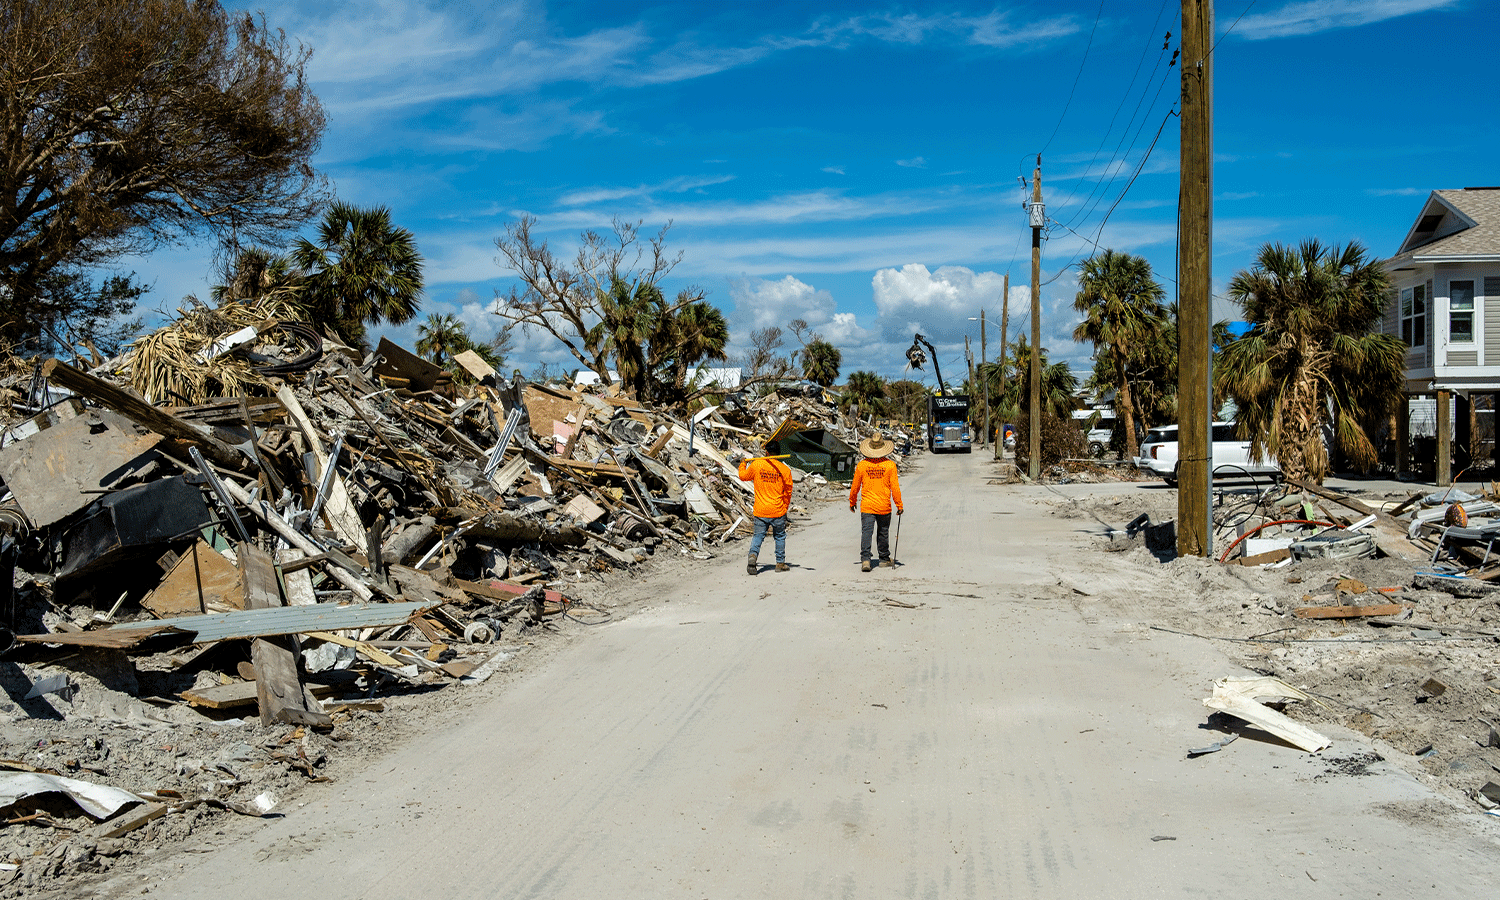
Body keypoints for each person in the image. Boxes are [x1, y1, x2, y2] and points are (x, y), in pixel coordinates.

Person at [849, 434, 903, 572]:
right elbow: (895, 488)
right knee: (883, 532)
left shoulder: (862, 465)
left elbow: (855, 486)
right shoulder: (890, 465)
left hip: (867, 506)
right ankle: (884, 559)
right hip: (884, 506)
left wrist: (852, 501)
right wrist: (899, 505)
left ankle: (866, 560)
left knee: (866, 532)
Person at [736, 451, 794, 574]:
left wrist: (742, 464)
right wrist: (785, 507)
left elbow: (743, 476)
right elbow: (788, 491)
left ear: (766, 452)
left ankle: (752, 557)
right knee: (779, 537)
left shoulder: (757, 465)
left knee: (758, 536)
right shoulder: (784, 470)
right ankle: (780, 563)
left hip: (760, 510)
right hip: (777, 510)